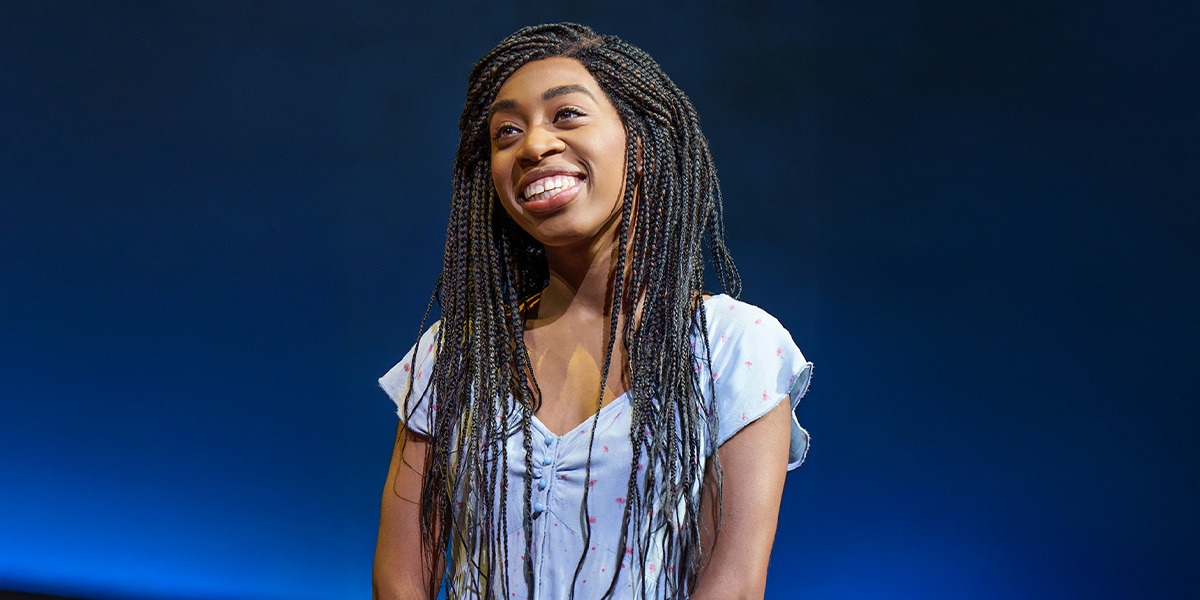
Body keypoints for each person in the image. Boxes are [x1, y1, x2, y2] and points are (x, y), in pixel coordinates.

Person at [374, 23, 812, 600]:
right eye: (506, 132)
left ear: (643, 141)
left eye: (567, 115)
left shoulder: (733, 346)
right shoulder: (455, 352)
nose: (532, 145)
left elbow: (731, 583)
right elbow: (401, 576)